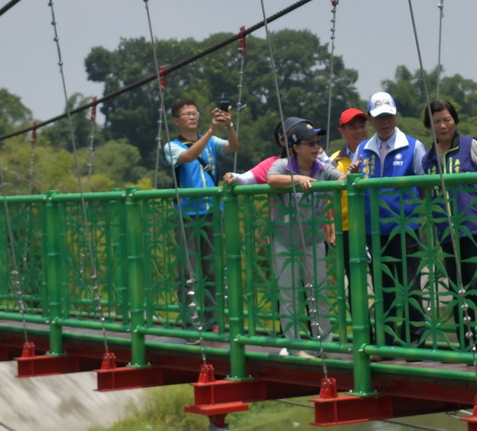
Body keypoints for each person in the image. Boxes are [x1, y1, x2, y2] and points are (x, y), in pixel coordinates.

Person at [226, 118, 339, 344]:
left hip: (313, 239)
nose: (317, 147)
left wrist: (352, 175)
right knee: (288, 294)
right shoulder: (280, 165)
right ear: (295, 147)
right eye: (311, 143)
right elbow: (270, 178)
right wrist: (297, 178)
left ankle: (324, 342)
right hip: (283, 240)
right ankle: (292, 344)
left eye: (318, 142)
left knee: (319, 293)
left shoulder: (323, 167)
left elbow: (341, 178)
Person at [352, 91, 433, 345]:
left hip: (405, 228)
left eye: (388, 116)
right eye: (379, 117)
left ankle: (414, 338)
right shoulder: (363, 150)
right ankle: (385, 339)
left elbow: (424, 186)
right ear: (371, 120)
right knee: (381, 286)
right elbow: (353, 183)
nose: (384, 122)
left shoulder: (413, 145)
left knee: (410, 285)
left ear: (396, 116)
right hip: (373, 230)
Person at [425, 97, 477, 350]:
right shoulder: (429, 157)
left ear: (455, 120)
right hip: (447, 232)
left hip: (474, 229)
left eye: (447, 119)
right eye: (436, 122)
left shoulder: (470, 145)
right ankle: (466, 344)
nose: (442, 126)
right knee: (457, 290)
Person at [160, 99, 229, 330]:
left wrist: (228, 126)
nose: (193, 116)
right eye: (187, 113)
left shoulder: (211, 141)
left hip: (212, 210)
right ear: (176, 120)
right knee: (187, 271)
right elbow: (188, 157)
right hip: (187, 215)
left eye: (195, 112)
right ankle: (190, 322)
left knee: (212, 269)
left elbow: (233, 148)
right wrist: (211, 131)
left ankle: (213, 322)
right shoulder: (172, 146)